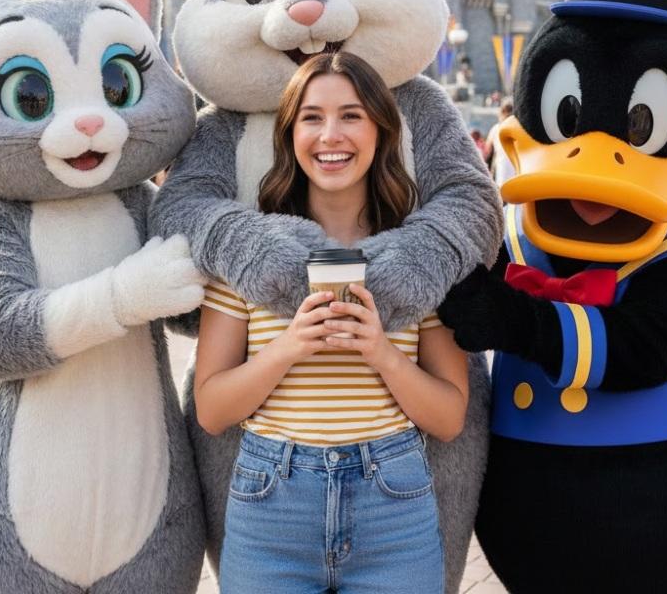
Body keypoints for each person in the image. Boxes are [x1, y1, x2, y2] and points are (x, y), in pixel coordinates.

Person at [195, 52, 468, 594]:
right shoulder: (250, 249)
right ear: (290, 133)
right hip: (272, 508)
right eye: (312, 117)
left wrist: (382, 352)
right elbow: (211, 409)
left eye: (351, 115)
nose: (331, 135)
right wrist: (288, 347)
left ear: (380, 129)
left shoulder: (419, 254)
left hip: (392, 508)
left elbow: (450, 417)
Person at [483, 97, 515, 190]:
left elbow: (487, 151)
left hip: (501, 174)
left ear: (501, 112)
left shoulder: (496, 129)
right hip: (518, 173)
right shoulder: (519, 128)